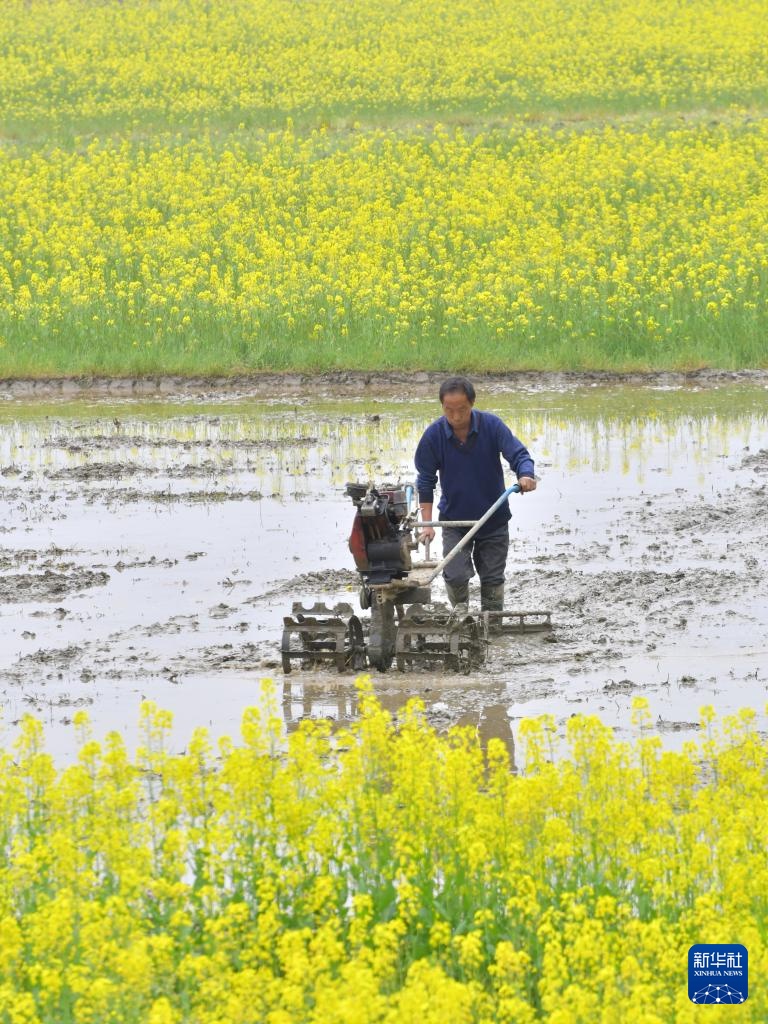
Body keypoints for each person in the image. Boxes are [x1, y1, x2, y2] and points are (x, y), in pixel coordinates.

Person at [414, 376, 536, 612]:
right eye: (449, 410)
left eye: (462, 410)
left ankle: (493, 627)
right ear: (442, 407)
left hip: (493, 517)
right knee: (455, 573)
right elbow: (426, 481)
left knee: (492, 576)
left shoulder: (491, 426)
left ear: (472, 404)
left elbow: (519, 454)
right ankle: (462, 621)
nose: (456, 417)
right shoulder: (433, 436)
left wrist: (526, 475)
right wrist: (426, 524)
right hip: (455, 520)